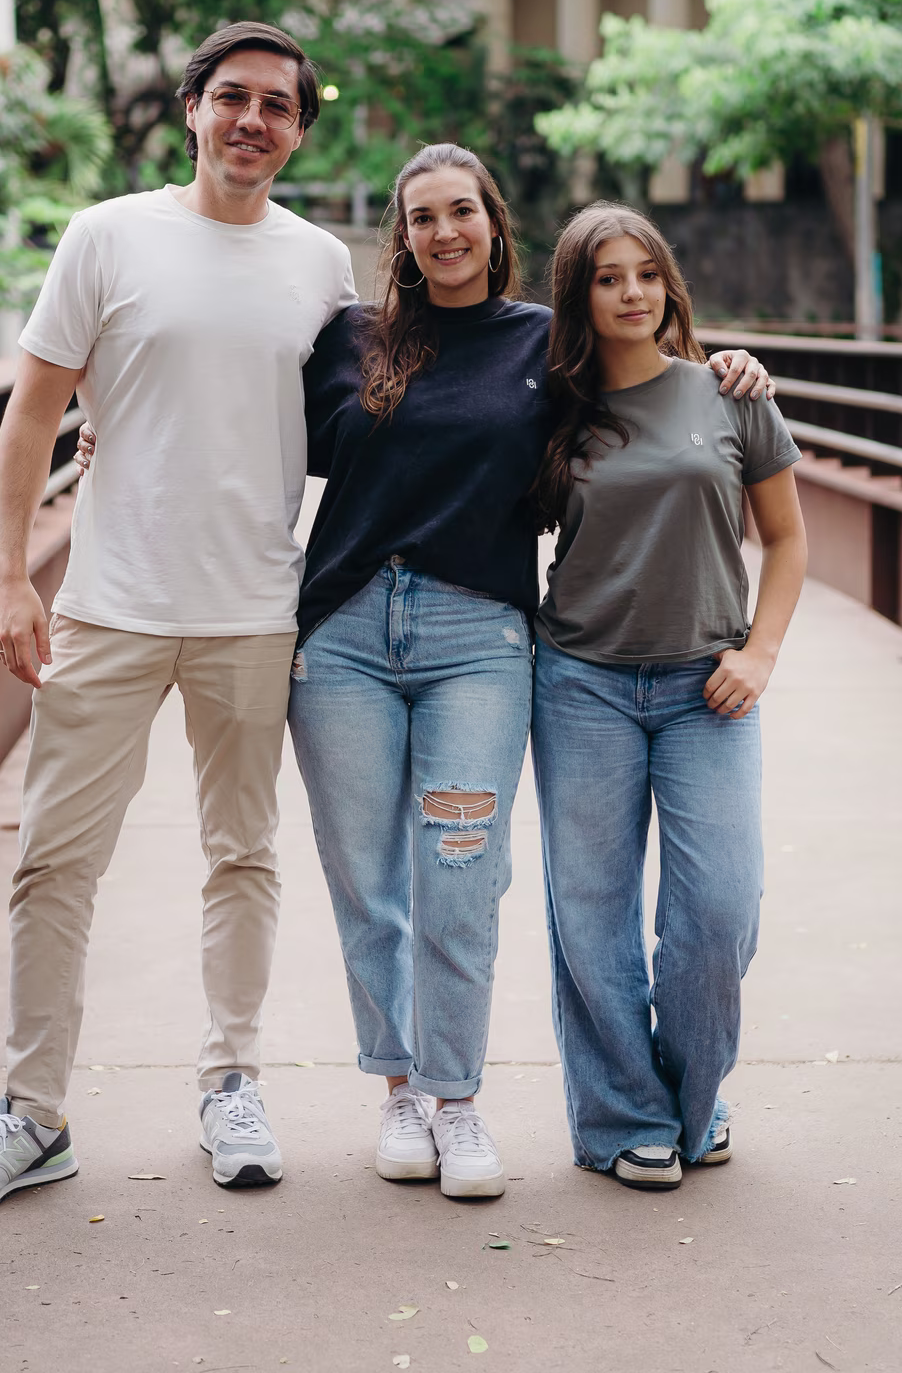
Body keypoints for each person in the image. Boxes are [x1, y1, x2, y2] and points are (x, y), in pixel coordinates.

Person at [0, 22, 356, 1213]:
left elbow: (363, 418)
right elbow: (33, 413)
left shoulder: (323, 264)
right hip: (109, 603)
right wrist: (11, 575)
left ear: (298, 130)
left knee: (243, 853)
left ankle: (232, 1082)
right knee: (54, 859)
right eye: (232, 96)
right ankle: (33, 1112)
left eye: (277, 105)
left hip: (255, 608)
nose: (251, 120)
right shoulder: (106, 234)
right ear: (192, 108)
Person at [286, 149, 776, 1199]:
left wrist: (731, 368)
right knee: (368, 880)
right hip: (346, 633)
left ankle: (458, 1097)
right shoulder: (348, 339)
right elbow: (244, 436)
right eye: (423, 216)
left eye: (462, 210)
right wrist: (103, 439)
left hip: (480, 636)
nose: (445, 231)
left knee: (462, 869)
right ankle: (402, 1092)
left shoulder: (545, 348)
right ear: (402, 236)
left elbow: (651, 391)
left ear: (495, 223)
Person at [530, 203, 807, 1192]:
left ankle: (691, 1097)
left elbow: (787, 538)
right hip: (581, 683)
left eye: (647, 273)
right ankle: (624, 1116)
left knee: (720, 912)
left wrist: (760, 654)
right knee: (591, 914)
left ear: (669, 284)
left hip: (707, 689)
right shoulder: (551, 410)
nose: (633, 293)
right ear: (580, 294)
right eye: (608, 278)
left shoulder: (729, 392)